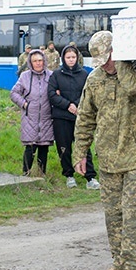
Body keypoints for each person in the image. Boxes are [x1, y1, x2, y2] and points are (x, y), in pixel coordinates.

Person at [73, 31, 136, 270]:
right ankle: (119, 264)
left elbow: (133, 86)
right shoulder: (95, 79)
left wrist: (122, 61)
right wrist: (80, 152)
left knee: (133, 216)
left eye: (108, 58)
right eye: (100, 61)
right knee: (113, 216)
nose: (106, 65)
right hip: (109, 159)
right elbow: (86, 117)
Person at [48, 43, 99, 189]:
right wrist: (68, 105)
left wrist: (76, 105)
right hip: (61, 117)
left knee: (83, 146)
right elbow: (51, 94)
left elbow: (87, 93)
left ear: (77, 58)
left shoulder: (84, 74)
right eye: (68, 57)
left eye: (73, 57)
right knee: (64, 148)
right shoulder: (56, 75)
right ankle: (69, 175)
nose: (71, 60)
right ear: (63, 58)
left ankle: (90, 177)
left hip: (80, 117)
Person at [11, 49, 55, 176]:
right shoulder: (24, 76)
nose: (38, 63)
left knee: (44, 147)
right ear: (30, 62)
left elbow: (58, 91)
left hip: (46, 117)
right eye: (35, 61)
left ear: (44, 61)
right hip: (30, 117)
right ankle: (26, 173)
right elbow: (14, 93)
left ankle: (41, 174)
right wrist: (25, 104)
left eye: (40, 60)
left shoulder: (51, 75)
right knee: (30, 147)